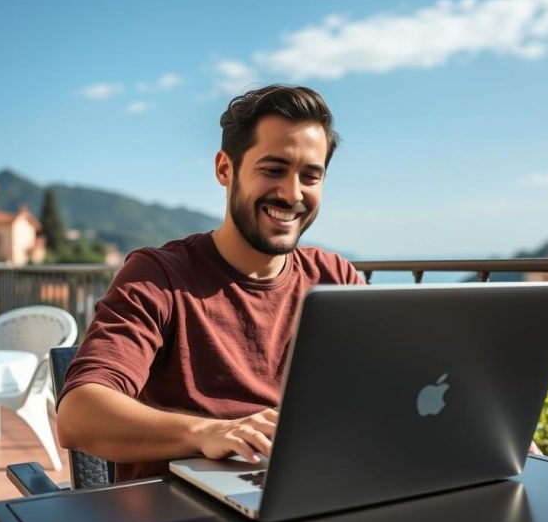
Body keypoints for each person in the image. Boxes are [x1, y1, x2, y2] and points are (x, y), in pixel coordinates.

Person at [56, 84, 364, 482]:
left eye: (310, 176)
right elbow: (79, 416)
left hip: (306, 487)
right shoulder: (158, 276)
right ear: (225, 169)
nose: (292, 194)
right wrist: (210, 432)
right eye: (273, 170)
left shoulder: (334, 278)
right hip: (178, 517)